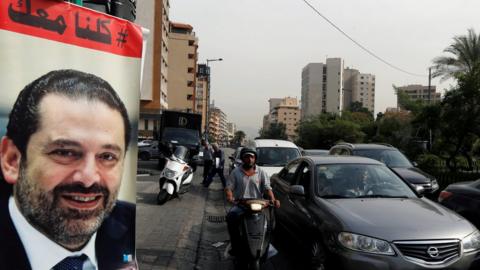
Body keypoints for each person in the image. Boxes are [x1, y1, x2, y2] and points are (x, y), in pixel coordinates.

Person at [0, 69, 136, 270]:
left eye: (107, 157)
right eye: (65, 153)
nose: (89, 178)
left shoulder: (133, 228)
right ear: (12, 160)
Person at [224, 147, 280, 255]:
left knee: (270, 223)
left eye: (252, 157)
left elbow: (268, 188)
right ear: (243, 158)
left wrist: (273, 199)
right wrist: (230, 196)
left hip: (259, 204)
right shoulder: (236, 172)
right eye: (247, 157)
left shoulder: (261, 172)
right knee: (230, 217)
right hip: (241, 204)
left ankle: (266, 245)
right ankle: (235, 245)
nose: (250, 159)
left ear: (255, 158)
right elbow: (229, 187)